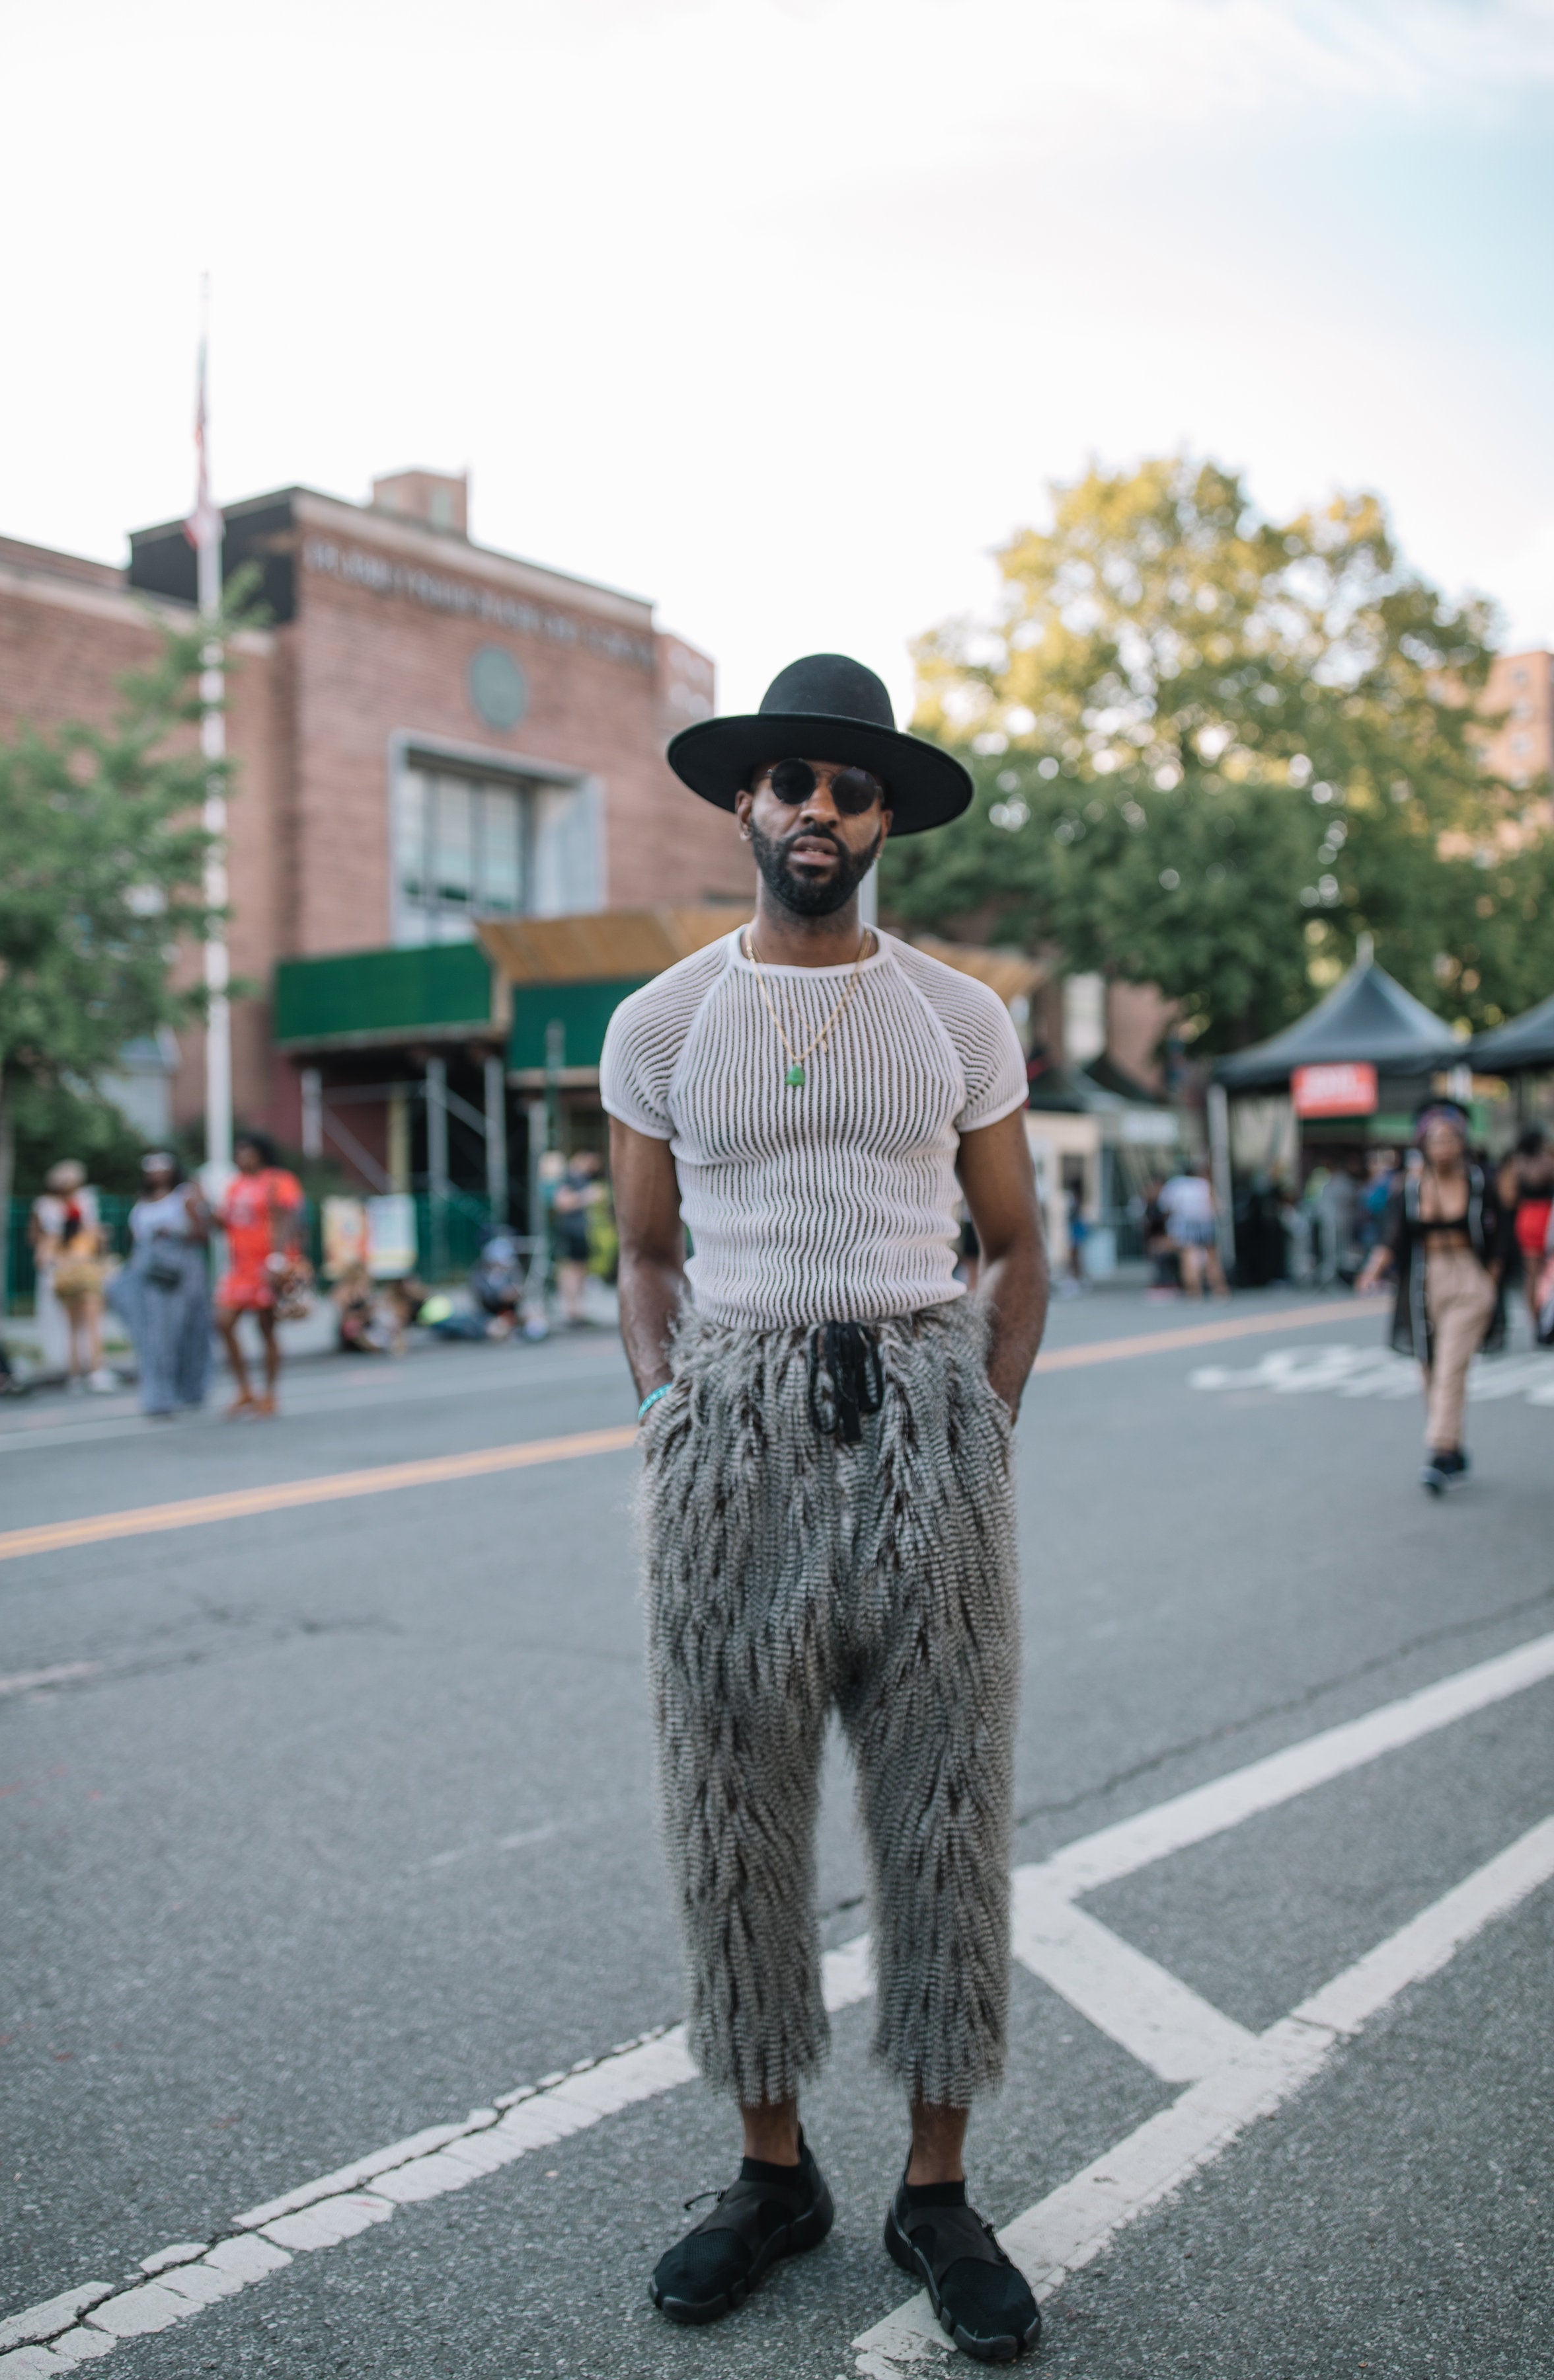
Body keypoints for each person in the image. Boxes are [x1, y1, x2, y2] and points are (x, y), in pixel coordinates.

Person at [603, 653, 1050, 2361]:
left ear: (881, 819)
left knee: (947, 1810)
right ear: (746, 802)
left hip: (926, 1417)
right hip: (733, 1431)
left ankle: (936, 2188)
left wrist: (980, 1428)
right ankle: (769, 2168)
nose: (816, 808)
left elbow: (1015, 1246)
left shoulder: (955, 1015)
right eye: (789, 779)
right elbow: (647, 1258)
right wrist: (666, 1412)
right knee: (734, 1813)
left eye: (848, 788)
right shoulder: (660, 1024)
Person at [1356, 1105, 1509, 1494]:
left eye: (1451, 1137)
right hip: (1425, 1280)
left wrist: (1490, 1279)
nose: (1444, 1146)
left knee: (1450, 1367)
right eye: (1436, 1139)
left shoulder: (1479, 1182)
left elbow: (1502, 1234)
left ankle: (1440, 1451)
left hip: (1469, 1279)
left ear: (1462, 1142)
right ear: (1423, 1144)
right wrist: (1374, 1268)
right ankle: (1455, 1450)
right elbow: (1393, 1235)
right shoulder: (1409, 1186)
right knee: (1429, 1367)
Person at [216, 1132, 303, 1417]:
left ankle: (269, 1393)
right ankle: (244, 1389)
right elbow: (224, 1222)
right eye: (238, 1151)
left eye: (247, 1151)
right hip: (240, 1269)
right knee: (223, 1322)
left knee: (266, 1328)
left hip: (267, 1265)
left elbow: (287, 1218)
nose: (241, 1157)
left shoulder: (278, 1180)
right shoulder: (235, 1185)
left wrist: (278, 1258)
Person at [122, 1152, 214, 1417]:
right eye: (151, 1169)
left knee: (188, 1332)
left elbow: (202, 1235)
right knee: (153, 1336)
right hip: (147, 1271)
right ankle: (159, 1397)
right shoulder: (141, 1200)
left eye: (163, 1168)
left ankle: (190, 1390)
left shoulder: (185, 1195)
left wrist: (173, 1232)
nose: (157, 1174)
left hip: (180, 1270)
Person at [34, 1161, 118, 1391]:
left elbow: (43, 1256)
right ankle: (94, 1371)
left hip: (66, 1277)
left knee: (74, 1326)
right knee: (89, 1325)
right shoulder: (76, 1229)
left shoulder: (56, 1222)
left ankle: (76, 1374)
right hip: (81, 1277)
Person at [1498, 1127, 1554, 1341]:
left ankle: (1535, 1322)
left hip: (1527, 1217)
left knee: (1531, 1275)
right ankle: (1547, 1319)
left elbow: (1507, 1198)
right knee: (1548, 1272)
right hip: (1548, 1217)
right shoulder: (1547, 1161)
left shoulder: (1516, 1163)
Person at [1157, 1158, 1228, 1298]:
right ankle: (1219, 1290)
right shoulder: (1204, 1184)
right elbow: (1215, 1206)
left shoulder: (1175, 1185)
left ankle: (1194, 1292)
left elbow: (1167, 1208)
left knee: (1188, 1257)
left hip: (1186, 1223)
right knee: (1212, 1258)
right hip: (1205, 1221)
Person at [551, 1150, 603, 1324]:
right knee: (570, 1269)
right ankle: (571, 1310)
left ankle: (578, 1309)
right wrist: (587, 1196)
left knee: (581, 1269)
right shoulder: (569, 1177)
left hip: (581, 1231)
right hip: (570, 1230)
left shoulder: (582, 1178)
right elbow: (562, 1203)